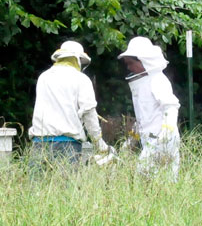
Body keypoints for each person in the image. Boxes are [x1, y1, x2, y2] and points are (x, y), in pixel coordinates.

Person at [28, 40, 109, 169]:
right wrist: (99, 143)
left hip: (39, 144)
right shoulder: (81, 79)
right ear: (77, 59)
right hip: (67, 146)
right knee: (64, 188)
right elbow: (89, 113)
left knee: (36, 188)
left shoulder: (44, 77)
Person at [118, 36, 180, 181]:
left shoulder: (157, 79)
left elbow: (171, 106)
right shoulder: (143, 82)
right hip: (151, 139)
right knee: (153, 179)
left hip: (162, 138)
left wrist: (166, 131)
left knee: (147, 176)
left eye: (130, 63)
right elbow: (144, 117)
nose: (129, 67)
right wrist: (132, 139)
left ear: (143, 61)